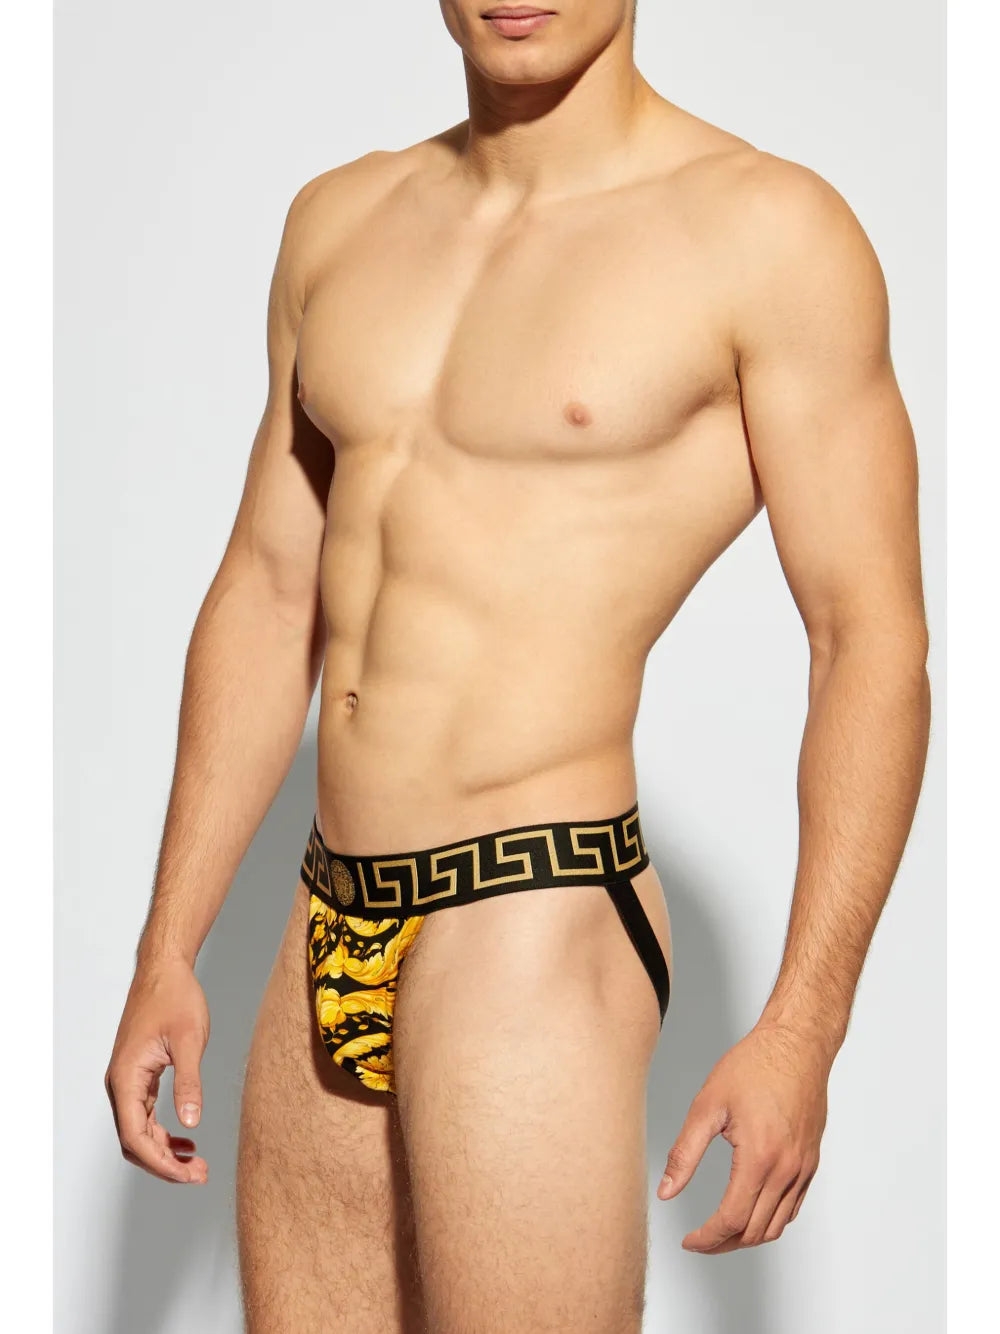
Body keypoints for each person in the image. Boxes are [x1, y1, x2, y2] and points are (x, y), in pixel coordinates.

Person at [104, 3, 931, 1330]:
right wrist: (168, 943)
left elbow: (868, 638)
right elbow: (268, 586)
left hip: (532, 903)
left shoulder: (767, 235)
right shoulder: (339, 220)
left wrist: (803, 1026)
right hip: (330, 906)